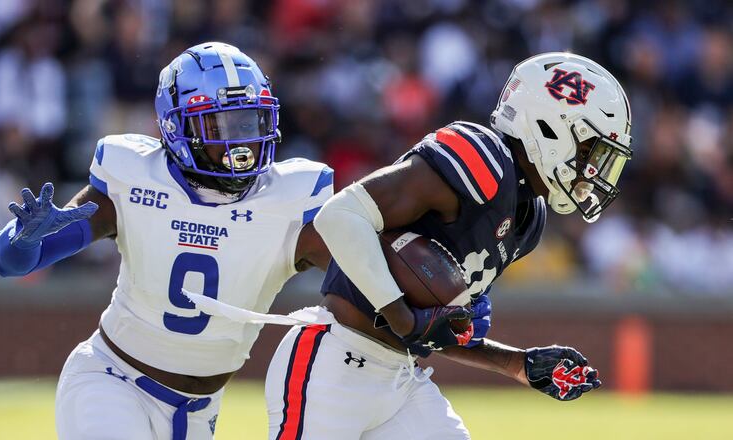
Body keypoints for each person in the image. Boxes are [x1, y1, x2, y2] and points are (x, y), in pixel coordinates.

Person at [264, 52, 631, 439]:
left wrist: (518, 364)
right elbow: (339, 216)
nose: (594, 169)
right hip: (332, 363)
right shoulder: (480, 160)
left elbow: (436, 329)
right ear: (553, 128)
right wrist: (404, 317)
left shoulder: (529, 218)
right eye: (591, 151)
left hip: (401, 379)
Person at [0, 42, 334, 440]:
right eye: (219, 125)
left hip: (198, 412)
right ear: (176, 127)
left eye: (250, 122)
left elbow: (365, 274)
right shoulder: (135, 179)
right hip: (112, 379)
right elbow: (10, 263)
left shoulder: (291, 201)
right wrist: (22, 239)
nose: (240, 142)